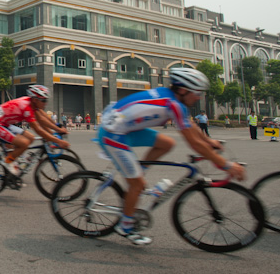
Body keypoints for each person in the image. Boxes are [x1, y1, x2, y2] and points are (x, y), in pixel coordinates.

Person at [97, 68, 245, 245]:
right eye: (197, 92)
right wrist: (225, 165)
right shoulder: (172, 103)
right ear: (183, 90)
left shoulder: (174, 100)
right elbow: (194, 144)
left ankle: (138, 176)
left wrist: (208, 140)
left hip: (123, 127)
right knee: (136, 185)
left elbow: (189, 124)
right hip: (112, 134)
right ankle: (125, 225)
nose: (199, 97)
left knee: (167, 143)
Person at [0, 85, 70, 176]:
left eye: (46, 100)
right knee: (24, 143)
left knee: (31, 137)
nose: (45, 103)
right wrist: (58, 140)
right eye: (43, 100)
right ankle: (8, 161)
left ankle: (16, 155)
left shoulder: (32, 104)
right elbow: (38, 129)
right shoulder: (26, 107)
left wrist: (56, 129)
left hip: (5, 123)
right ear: (35, 99)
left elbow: (43, 119)